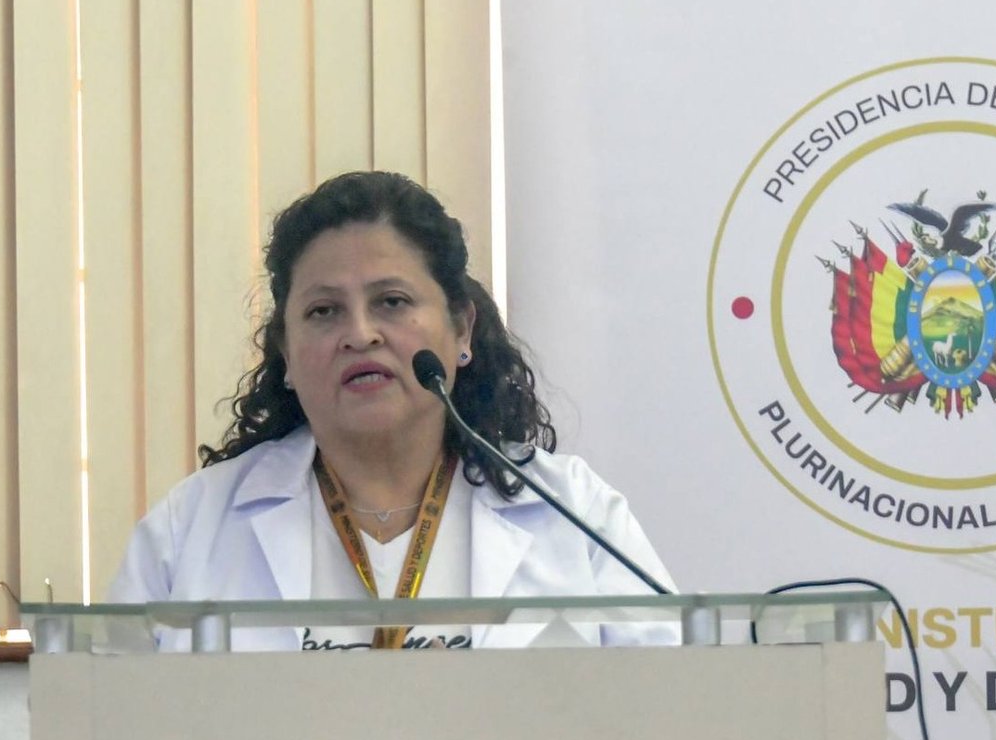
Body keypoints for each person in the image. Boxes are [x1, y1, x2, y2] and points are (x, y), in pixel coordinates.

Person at [106, 171, 675, 650]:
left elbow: (675, 706)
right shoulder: (190, 528)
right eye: (324, 311)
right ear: (286, 354)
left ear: (461, 329)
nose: (360, 334)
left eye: (391, 302)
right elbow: (107, 723)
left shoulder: (574, 512)